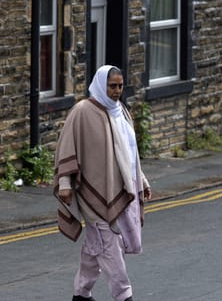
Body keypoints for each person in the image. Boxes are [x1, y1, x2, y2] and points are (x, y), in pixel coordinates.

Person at [54, 65, 152, 301]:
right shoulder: (82, 111)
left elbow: (130, 153)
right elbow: (67, 147)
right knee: (109, 244)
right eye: (112, 86)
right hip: (94, 192)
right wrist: (65, 182)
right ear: (100, 85)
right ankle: (124, 295)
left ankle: (81, 293)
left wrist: (142, 181)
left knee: (95, 244)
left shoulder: (122, 112)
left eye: (120, 86)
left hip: (120, 187)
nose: (117, 91)